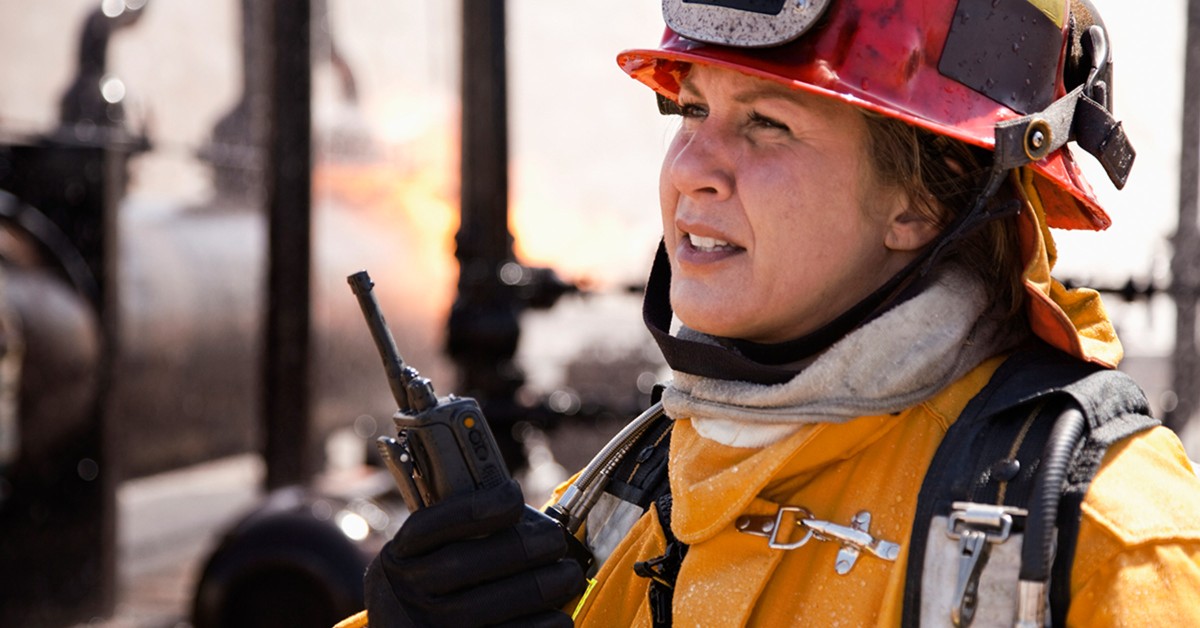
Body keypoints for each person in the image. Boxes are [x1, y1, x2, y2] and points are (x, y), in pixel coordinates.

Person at [343, 0, 1200, 625]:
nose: (692, 170)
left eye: (768, 125)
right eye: (693, 109)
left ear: (921, 202)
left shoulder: (1103, 534)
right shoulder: (649, 483)